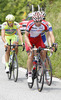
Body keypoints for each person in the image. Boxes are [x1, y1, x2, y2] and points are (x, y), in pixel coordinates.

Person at [25, 11, 52, 83]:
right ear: (34, 20)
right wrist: (30, 46)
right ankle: (29, 74)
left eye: (40, 21)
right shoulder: (30, 24)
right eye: (36, 22)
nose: (38, 23)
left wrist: (50, 46)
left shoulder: (44, 24)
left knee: (43, 52)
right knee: (31, 55)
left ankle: (46, 71)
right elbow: (25, 36)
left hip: (38, 38)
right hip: (29, 39)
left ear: (42, 19)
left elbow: (48, 35)